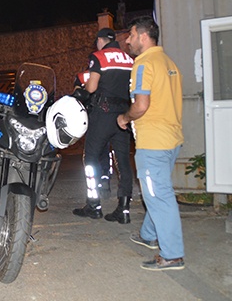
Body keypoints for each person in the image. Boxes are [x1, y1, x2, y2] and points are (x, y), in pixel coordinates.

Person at [118, 16, 185, 271]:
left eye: (131, 35)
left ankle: (172, 255)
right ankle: (148, 235)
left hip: (153, 141)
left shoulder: (144, 64)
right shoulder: (169, 62)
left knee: (158, 197)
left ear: (143, 37)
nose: (127, 40)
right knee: (158, 191)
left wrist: (124, 117)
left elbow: (141, 105)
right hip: (171, 139)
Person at [72, 28, 134, 223]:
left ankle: (94, 205)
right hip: (123, 115)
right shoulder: (129, 59)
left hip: (103, 112)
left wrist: (81, 90)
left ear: (100, 40)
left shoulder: (98, 57)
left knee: (90, 158)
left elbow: (91, 87)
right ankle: (123, 209)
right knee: (123, 161)